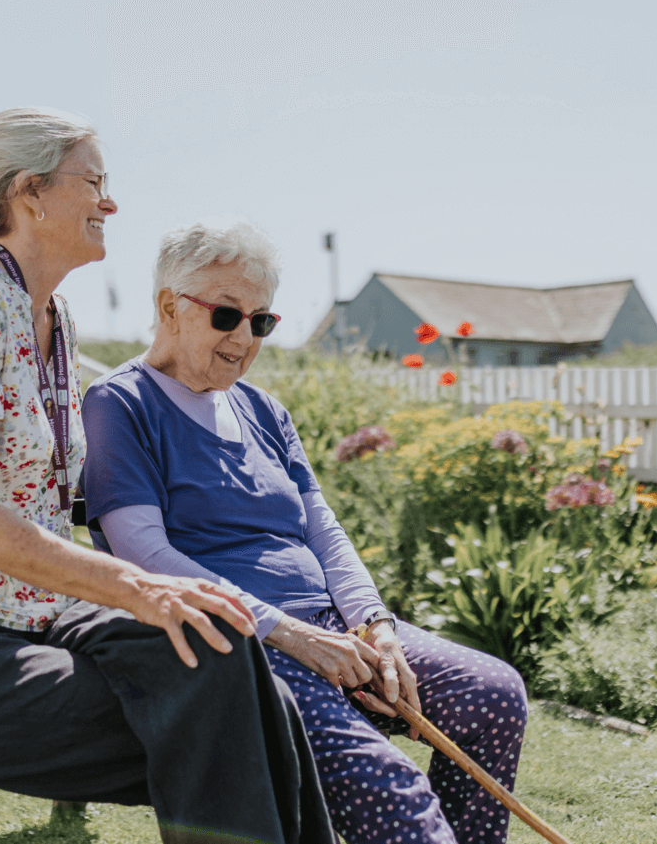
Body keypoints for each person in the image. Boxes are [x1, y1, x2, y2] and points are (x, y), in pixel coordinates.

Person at [0, 110, 335, 844]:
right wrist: (140, 585)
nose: (111, 203)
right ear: (30, 194)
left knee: (221, 642)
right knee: (233, 715)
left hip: (36, 622)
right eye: (95, 183)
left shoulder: (54, 318)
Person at [79, 218, 530, 844]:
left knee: (493, 693)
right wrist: (288, 634)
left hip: (331, 628)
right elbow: (143, 555)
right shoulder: (119, 402)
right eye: (227, 316)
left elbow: (325, 532)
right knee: (394, 792)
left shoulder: (265, 410)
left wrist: (377, 626)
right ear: (168, 308)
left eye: (261, 321)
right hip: (240, 647)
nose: (245, 338)